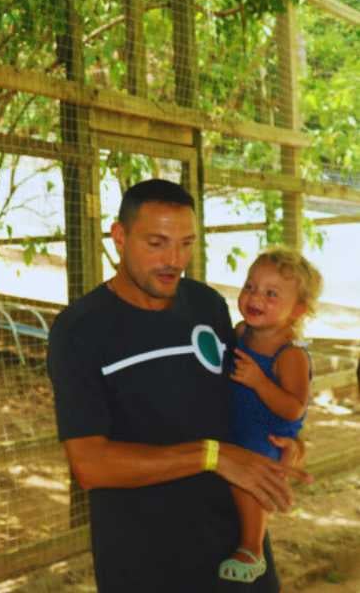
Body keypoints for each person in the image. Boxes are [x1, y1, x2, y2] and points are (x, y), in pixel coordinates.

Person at [47, 179, 308, 593]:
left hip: (236, 551)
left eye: (186, 243)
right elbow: (90, 465)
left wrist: (284, 443)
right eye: (157, 243)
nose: (175, 259)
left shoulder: (206, 304)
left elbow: (238, 401)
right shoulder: (80, 329)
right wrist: (211, 456)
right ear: (119, 237)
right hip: (145, 560)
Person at [219, 249, 322, 583]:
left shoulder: (290, 354)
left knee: (250, 471)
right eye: (250, 286)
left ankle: (252, 547)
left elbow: (294, 407)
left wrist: (259, 381)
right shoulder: (240, 332)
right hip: (238, 422)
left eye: (271, 294)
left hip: (267, 432)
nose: (254, 297)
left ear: (298, 311)